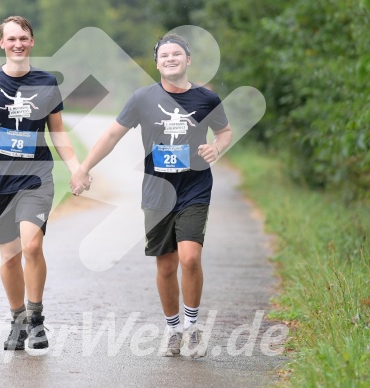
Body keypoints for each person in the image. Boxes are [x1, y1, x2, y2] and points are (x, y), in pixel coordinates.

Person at [71, 33, 232, 358]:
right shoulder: (142, 98)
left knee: (190, 257)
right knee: (166, 264)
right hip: (157, 192)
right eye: (164, 56)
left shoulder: (205, 99)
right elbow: (113, 134)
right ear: (157, 63)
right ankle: (173, 329)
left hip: (195, 187)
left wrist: (216, 147)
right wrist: (84, 167)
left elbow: (225, 131)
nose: (170, 59)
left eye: (177, 54)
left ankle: (192, 326)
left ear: (187, 61)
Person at [0, 15, 80, 351]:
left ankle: (37, 317)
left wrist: (75, 167)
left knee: (32, 247)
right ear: (2, 44)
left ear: (32, 42)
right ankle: (17, 320)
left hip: (36, 177)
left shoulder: (46, 82)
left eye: (23, 38)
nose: (17, 44)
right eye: (11, 39)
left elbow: (57, 130)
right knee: (10, 257)